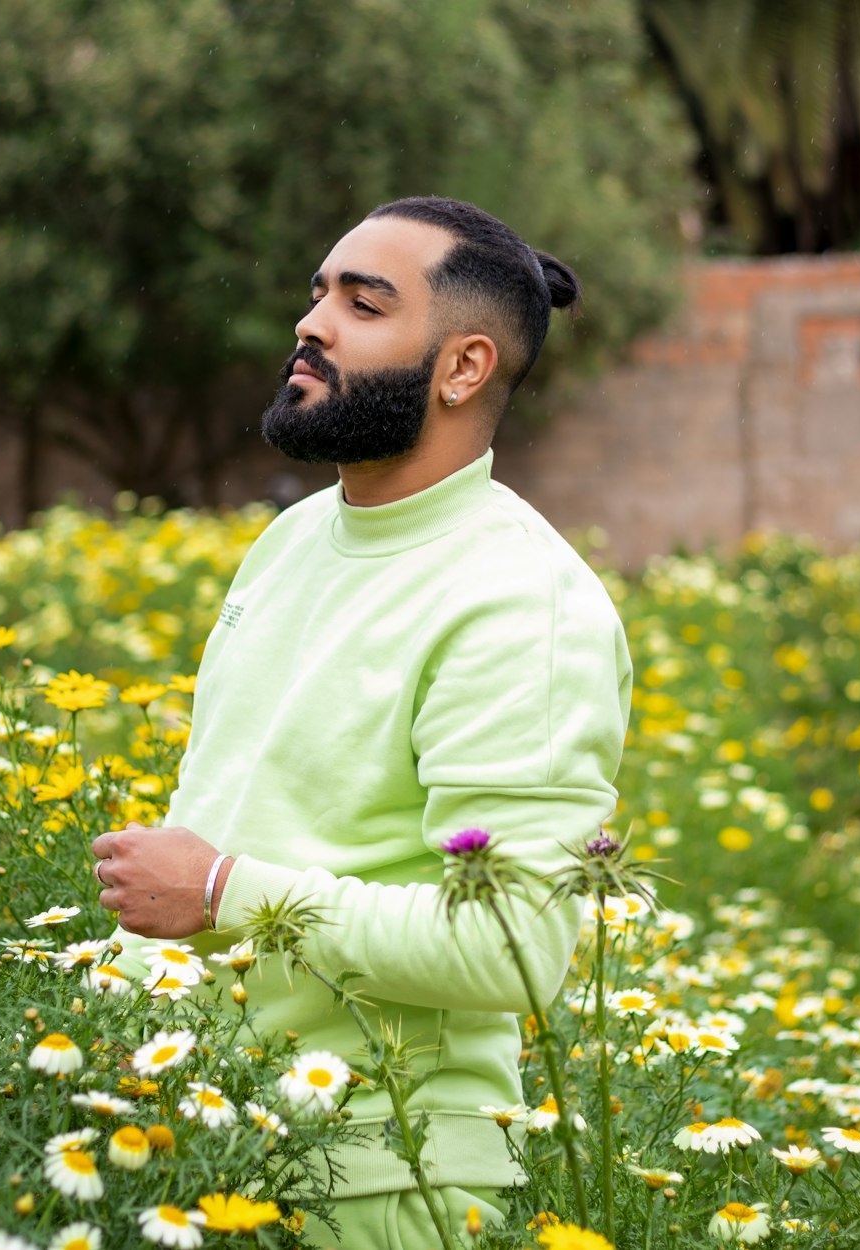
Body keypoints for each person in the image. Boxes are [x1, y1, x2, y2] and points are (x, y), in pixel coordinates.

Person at [92, 196, 632, 1249]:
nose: (312, 323)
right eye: (316, 293)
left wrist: (217, 889)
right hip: (198, 1134)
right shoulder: (292, 540)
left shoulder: (520, 601)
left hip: (382, 1179)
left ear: (463, 367)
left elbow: (512, 949)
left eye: (362, 302)